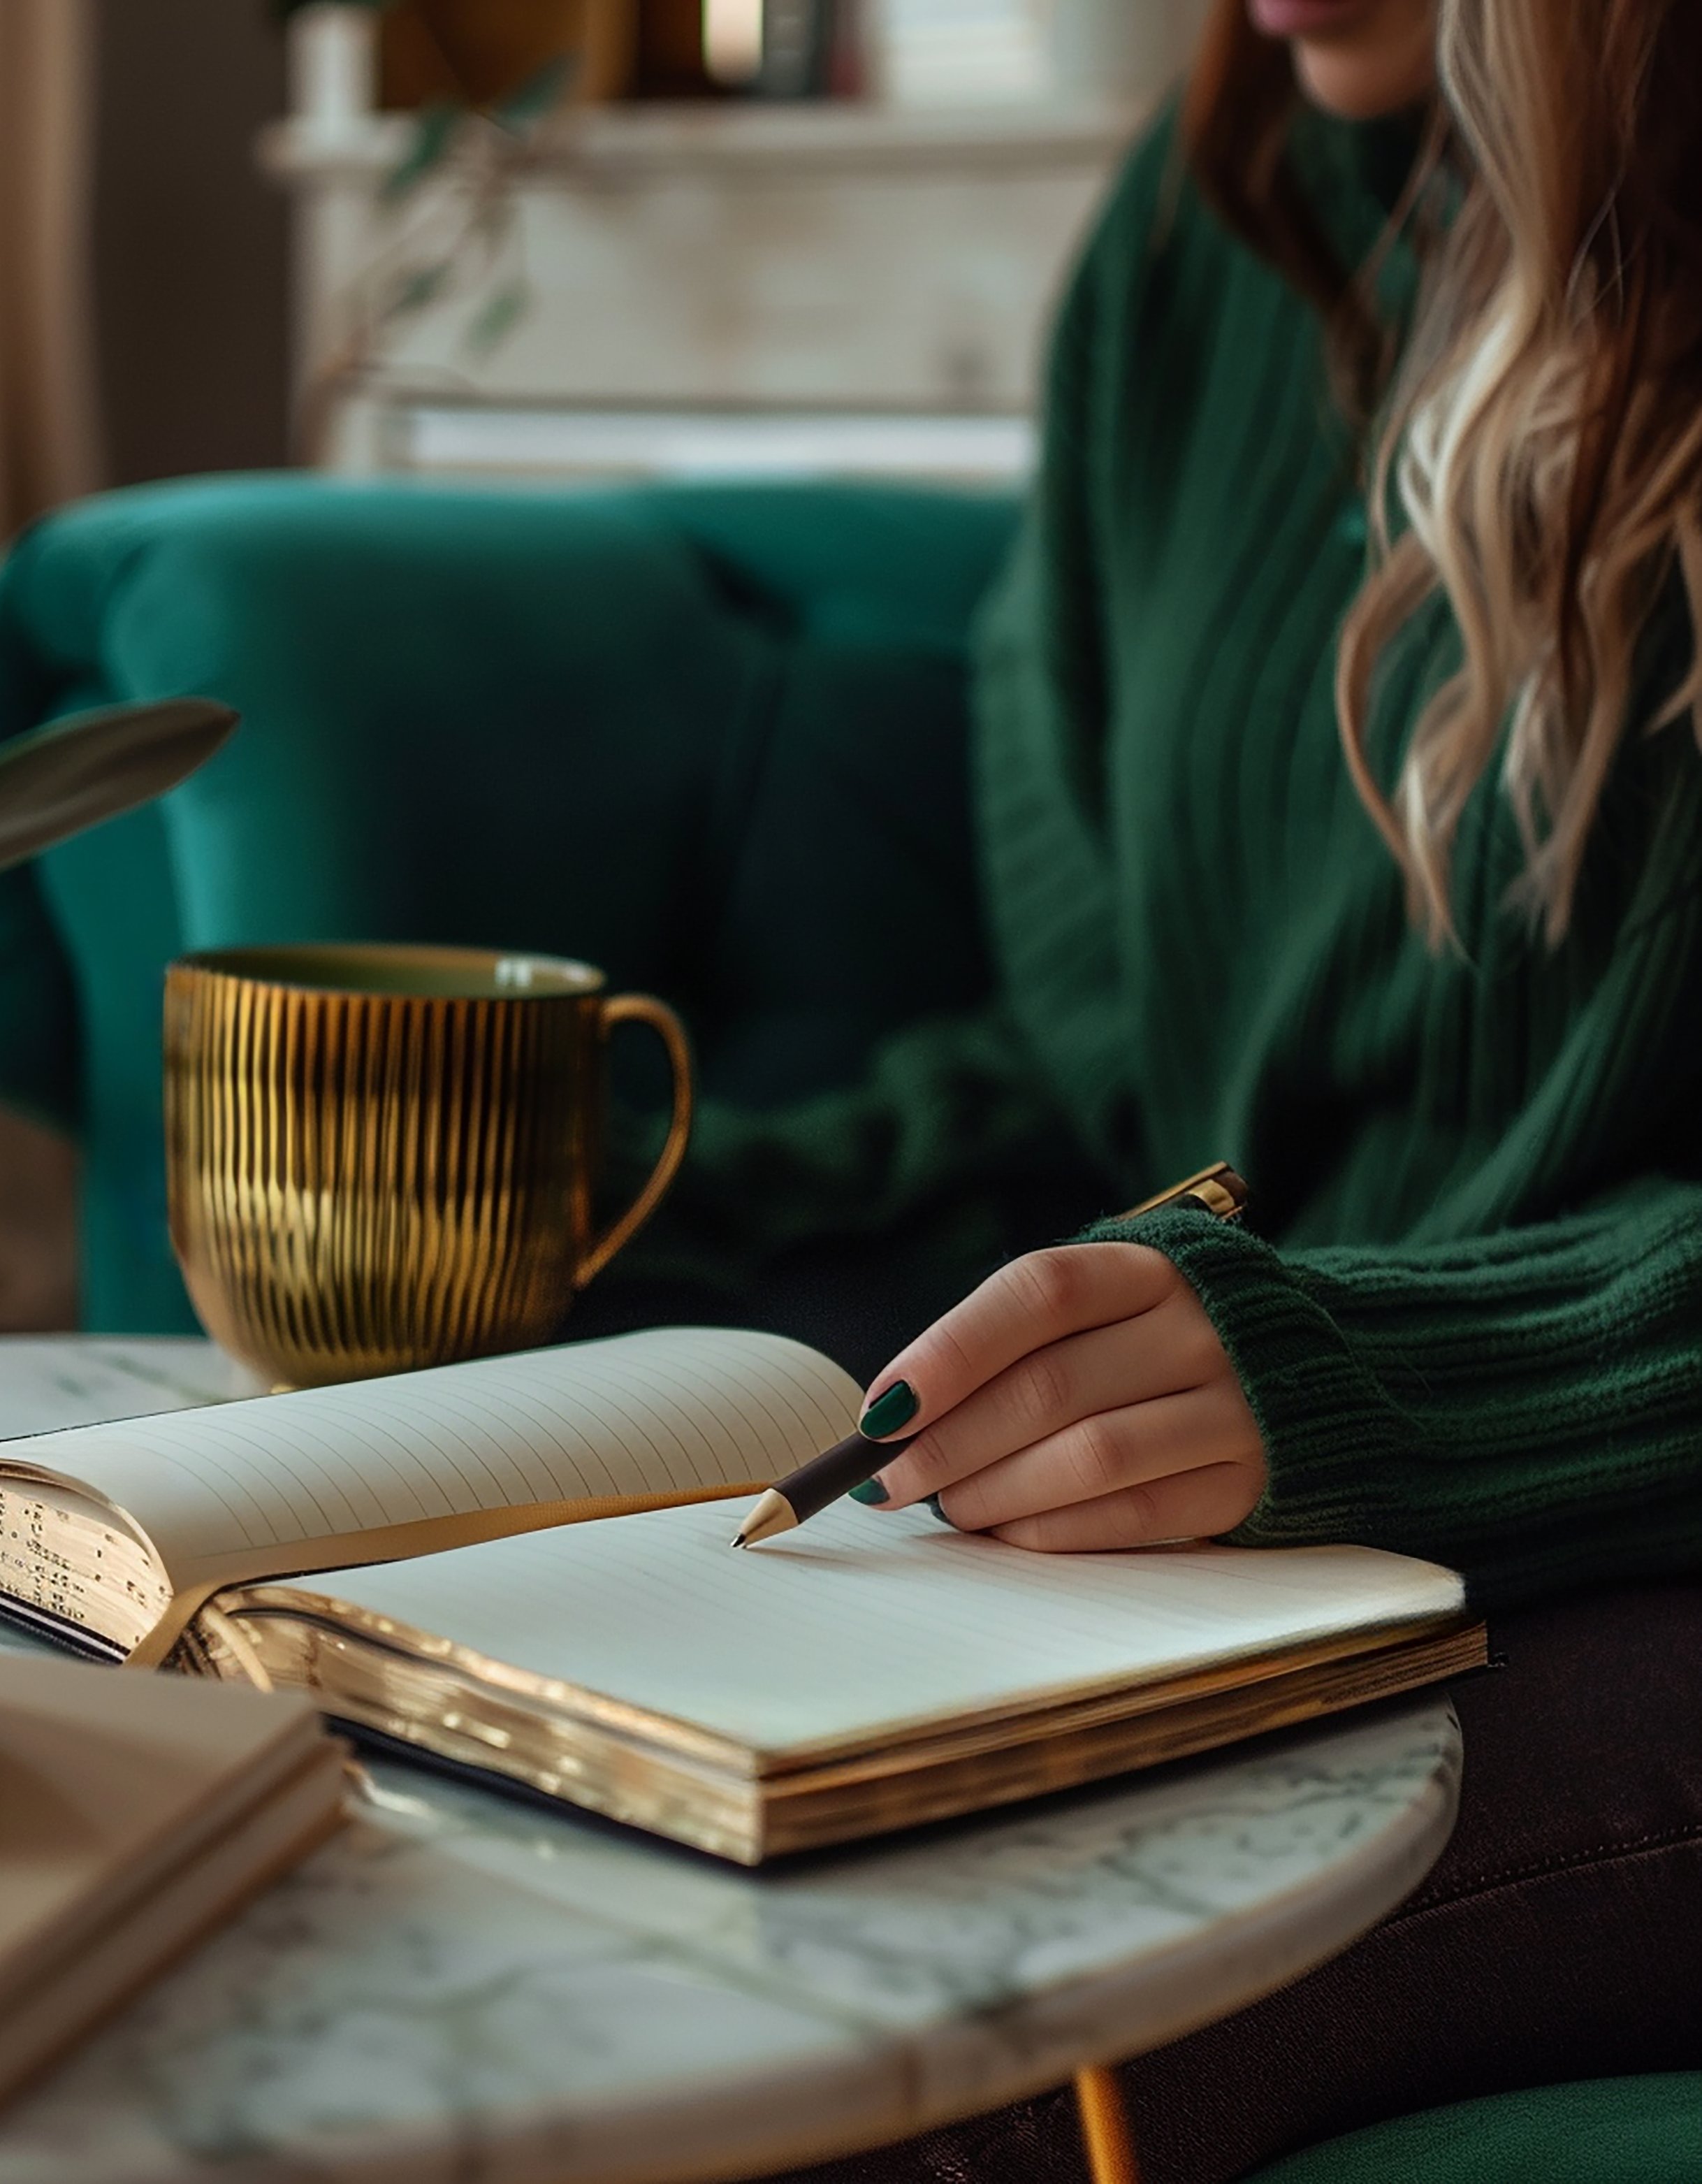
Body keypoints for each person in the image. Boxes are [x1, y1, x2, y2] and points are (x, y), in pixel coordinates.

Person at [599, 0, 1702, 2175]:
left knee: (832, 2066)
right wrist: (622, 1214)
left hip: (1627, 1573)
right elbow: (1109, 1064)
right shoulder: (1198, 244)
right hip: (1264, 1554)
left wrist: (1398, 1381)